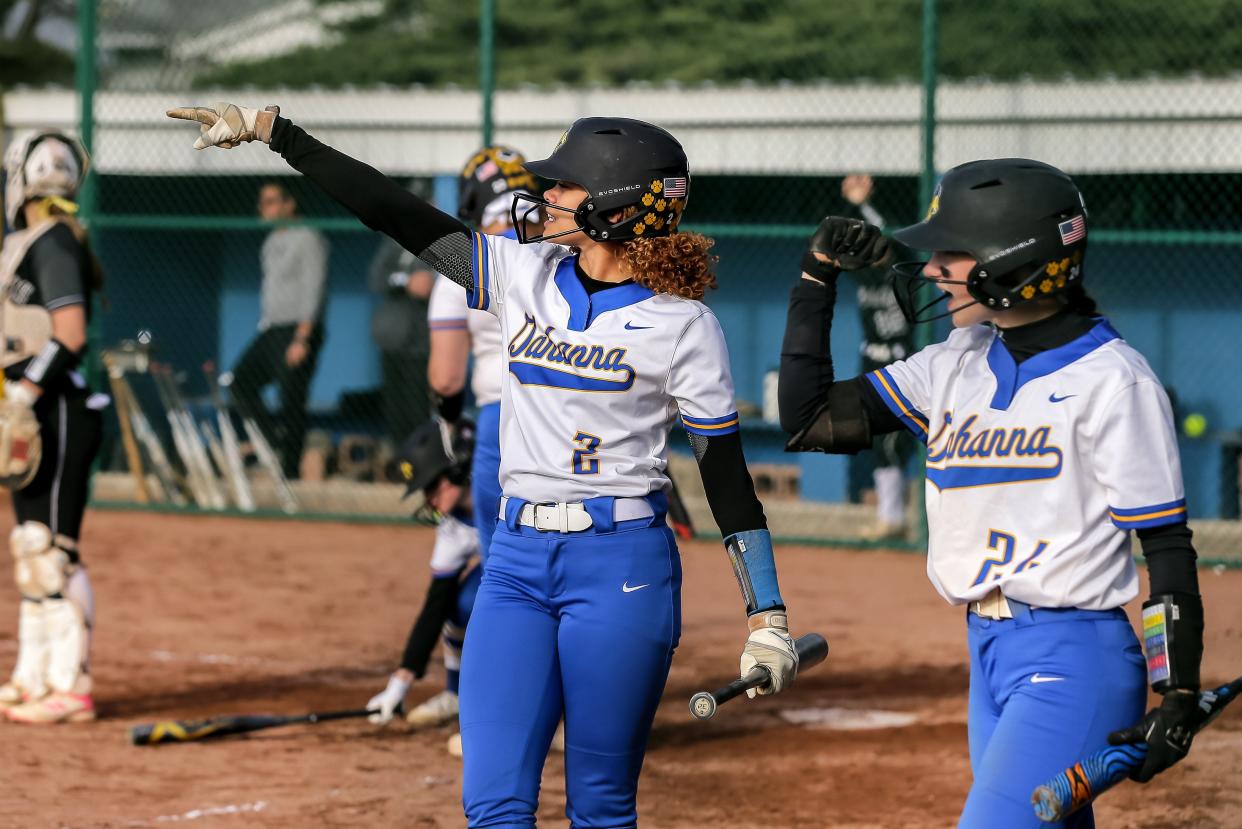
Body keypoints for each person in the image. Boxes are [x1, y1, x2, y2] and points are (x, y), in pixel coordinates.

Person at [168, 102, 802, 827]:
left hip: (622, 566)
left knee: (599, 807)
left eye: (564, 187)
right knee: (493, 805)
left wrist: (767, 616)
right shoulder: (518, 272)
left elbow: (727, 480)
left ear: (619, 208)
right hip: (517, 561)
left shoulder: (685, 327)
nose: (546, 197)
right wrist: (280, 135)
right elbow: (393, 212)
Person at [779, 159, 1205, 827]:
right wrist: (816, 276)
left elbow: (1166, 548)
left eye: (951, 253)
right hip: (988, 653)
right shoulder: (956, 362)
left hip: (1075, 661)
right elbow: (806, 418)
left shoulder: (1114, 381)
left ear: (1014, 260)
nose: (929, 269)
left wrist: (1175, 691)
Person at [0, 130, 107, 724]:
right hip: (35, 411)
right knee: (29, 549)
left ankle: (74, 686)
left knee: (54, 551)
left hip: (60, 410)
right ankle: (34, 676)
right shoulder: (31, 242)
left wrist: (25, 390)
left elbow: (70, 334)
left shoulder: (55, 241)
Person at [366, 418, 481, 732]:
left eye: (431, 485)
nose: (428, 499)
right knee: (460, 605)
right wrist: (400, 682)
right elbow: (436, 603)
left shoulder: (506, 486)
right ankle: (456, 695)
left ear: (457, 470)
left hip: (557, 552)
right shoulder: (453, 526)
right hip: (507, 565)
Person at [229, 181, 328, 479]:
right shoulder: (271, 241)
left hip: (298, 331)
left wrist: (302, 336)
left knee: (291, 398)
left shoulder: (308, 238)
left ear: (289, 204)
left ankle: (291, 471)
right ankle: (272, 441)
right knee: (240, 382)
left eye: (272, 202)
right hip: (272, 330)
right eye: (263, 203)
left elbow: (314, 289)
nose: (265, 208)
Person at [840, 173, 915, 539]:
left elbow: (886, 237)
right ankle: (892, 517)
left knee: (894, 441)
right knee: (876, 437)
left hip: (901, 359)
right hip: (870, 359)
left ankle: (895, 517)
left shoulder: (903, 270)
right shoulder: (863, 275)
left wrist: (862, 204)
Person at [369, 235, 435, 446]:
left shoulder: (439, 240)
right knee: (394, 406)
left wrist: (424, 282)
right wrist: (406, 281)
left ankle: (423, 464)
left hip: (422, 340)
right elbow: (376, 277)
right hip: (392, 336)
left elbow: (428, 284)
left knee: (418, 405)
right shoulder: (394, 240)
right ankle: (402, 461)